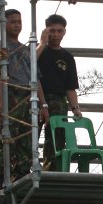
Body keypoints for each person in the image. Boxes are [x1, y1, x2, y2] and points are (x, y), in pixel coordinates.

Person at [0, 9, 49, 181]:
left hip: (28, 96)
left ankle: (22, 176)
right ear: (4, 24)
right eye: (13, 22)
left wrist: (43, 104)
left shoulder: (26, 50)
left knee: (27, 140)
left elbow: (36, 78)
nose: (17, 25)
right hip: (11, 94)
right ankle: (4, 178)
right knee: (8, 137)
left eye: (19, 22)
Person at [37, 14, 81, 169]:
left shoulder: (67, 57)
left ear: (64, 32)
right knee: (29, 139)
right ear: (46, 31)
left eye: (59, 31)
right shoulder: (38, 51)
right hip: (35, 100)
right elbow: (29, 64)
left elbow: (70, 87)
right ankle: (25, 174)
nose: (55, 34)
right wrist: (42, 43)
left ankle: (51, 173)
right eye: (52, 31)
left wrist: (75, 108)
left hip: (58, 102)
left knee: (56, 142)